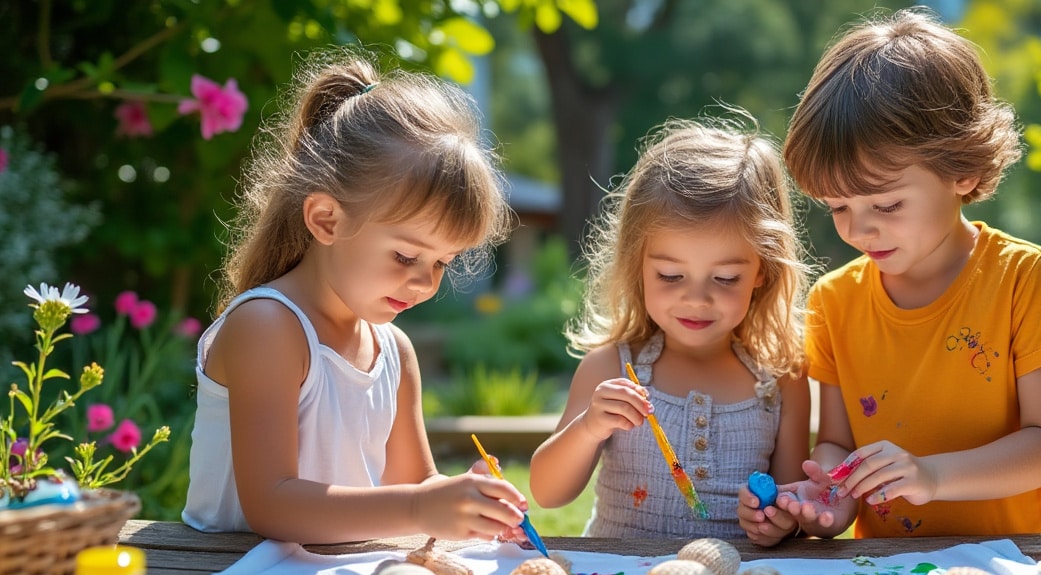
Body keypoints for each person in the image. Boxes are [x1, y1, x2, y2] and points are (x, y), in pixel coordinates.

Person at [757, 8, 1041, 544]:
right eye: (837, 207)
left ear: (965, 170)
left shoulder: (1022, 278)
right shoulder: (834, 300)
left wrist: (932, 476)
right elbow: (838, 444)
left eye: (886, 205)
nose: (860, 230)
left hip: (1007, 567)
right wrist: (831, 496)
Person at [182, 50, 529, 545]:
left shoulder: (394, 351)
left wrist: (465, 500)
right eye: (406, 257)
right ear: (327, 219)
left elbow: (415, 485)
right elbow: (271, 503)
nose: (426, 283)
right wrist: (419, 507)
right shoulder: (268, 327)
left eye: (441, 263)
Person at [530, 112, 815, 539]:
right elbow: (547, 493)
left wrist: (779, 522)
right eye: (670, 275)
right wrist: (589, 427)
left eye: (724, 278)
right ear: (637, 265)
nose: (697, 298)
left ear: (763, 270)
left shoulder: (781, 380)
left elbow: (792, 507)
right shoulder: (611, 366)